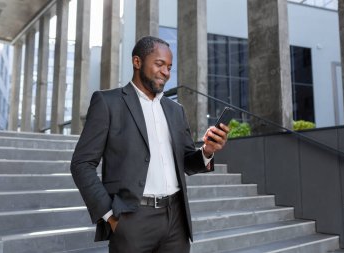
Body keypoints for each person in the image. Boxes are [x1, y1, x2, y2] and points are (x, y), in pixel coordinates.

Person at [70, 36, 229, 253]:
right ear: (137, 62)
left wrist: (207, 151)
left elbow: (186, 163)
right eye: (159, 64)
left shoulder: (176, 110)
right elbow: (81, 164)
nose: (166, 72)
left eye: (170, 67)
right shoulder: (108, 103)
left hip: (176, 220)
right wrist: (110, 216)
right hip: (132, 220)